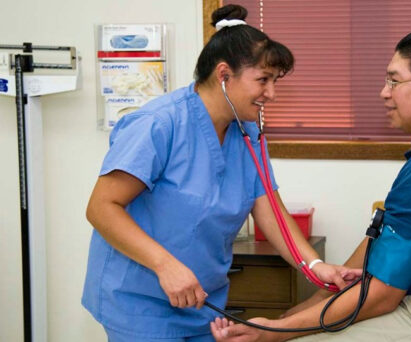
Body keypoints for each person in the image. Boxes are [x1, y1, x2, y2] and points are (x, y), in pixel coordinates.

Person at [210, 28, 411, 342]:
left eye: (394, 80)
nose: (383, 92)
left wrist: (278, 332)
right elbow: (380, 239)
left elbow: (381, 295)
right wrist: (308, 305)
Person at [82, 5, 360, 342]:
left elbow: (270, 210)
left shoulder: (247, 134)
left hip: (203, 301)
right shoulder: (158, 124)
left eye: (275, 82)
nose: (271, 94)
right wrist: (165, 265)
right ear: (224, 74)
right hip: (141, 300)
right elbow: (101, 207)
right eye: (263, 80)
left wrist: (316, 267)